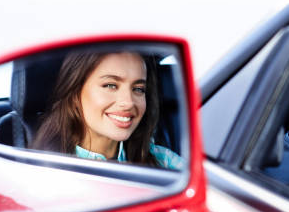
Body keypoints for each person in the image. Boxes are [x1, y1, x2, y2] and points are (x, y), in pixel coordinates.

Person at [31, 50, 184, 169]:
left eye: (138, 89)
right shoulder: (46, 168)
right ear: (75, 95)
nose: (129, 102)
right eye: (110, 85)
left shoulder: (162, 160)